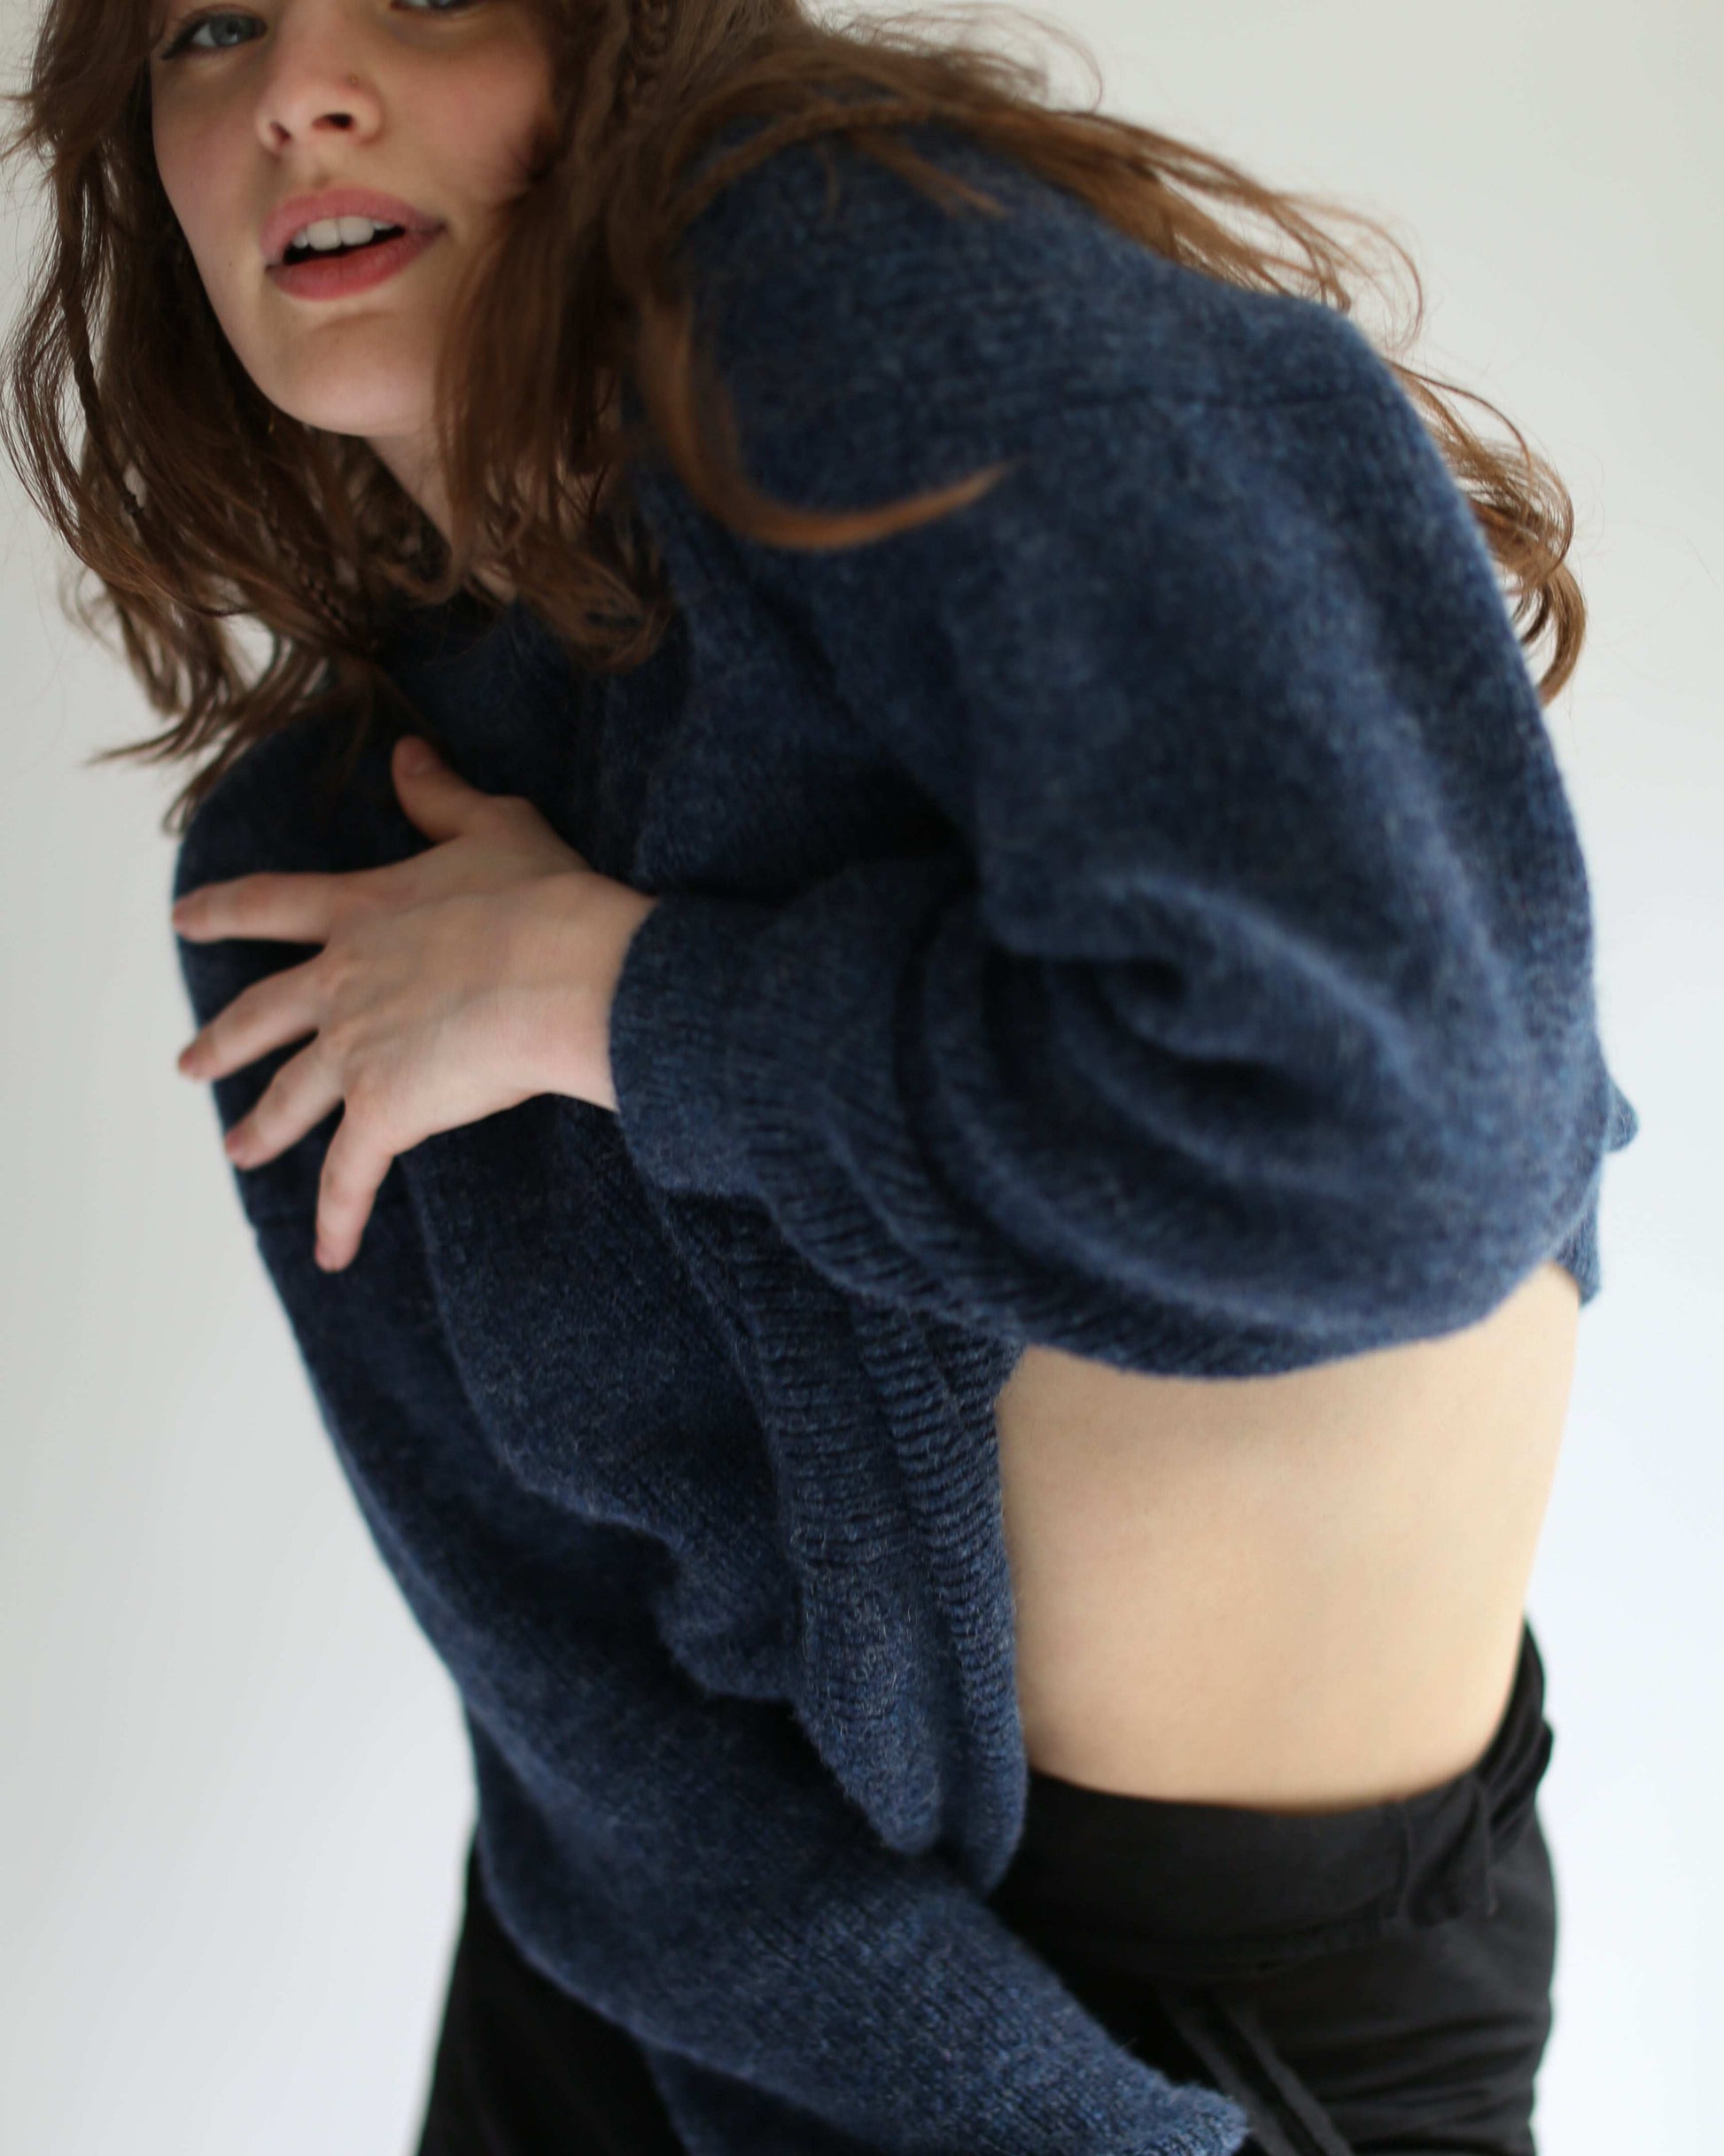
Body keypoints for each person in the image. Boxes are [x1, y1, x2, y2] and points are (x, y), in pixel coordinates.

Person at [0, 0, 1640, 2151]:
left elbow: (1401, 1160)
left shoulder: (844, 279)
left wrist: (613, 1001)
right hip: (752, 2011)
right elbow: (585, 1724)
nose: (301, 86)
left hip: (1304, 2006)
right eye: (212, 26)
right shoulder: (321, 861)